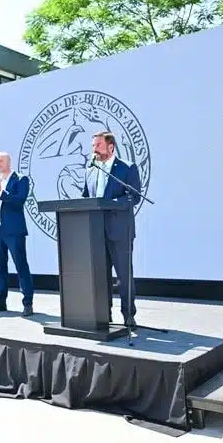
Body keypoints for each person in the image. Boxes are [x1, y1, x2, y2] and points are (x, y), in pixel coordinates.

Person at [81, 132, 142, 328]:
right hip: (96, 232)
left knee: (124, 276)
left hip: (119, 231)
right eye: (93, 145)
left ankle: (128, 315)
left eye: (98, 144)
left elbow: (134, 196)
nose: (94, 149)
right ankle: (103, 315)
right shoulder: (90, 170)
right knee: (101, 276)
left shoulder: (126, 168)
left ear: (111, 147)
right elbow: (85, 197)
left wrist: (111, 204)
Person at [0, 152, 34, 316]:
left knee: (21, 265)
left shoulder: (21, 179)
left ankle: (27, 303)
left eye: (0, 161)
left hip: (14, 231)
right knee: (0, 267)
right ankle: (0, 300)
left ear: (8, 162)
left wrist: (1, 193)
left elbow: (19, 200)